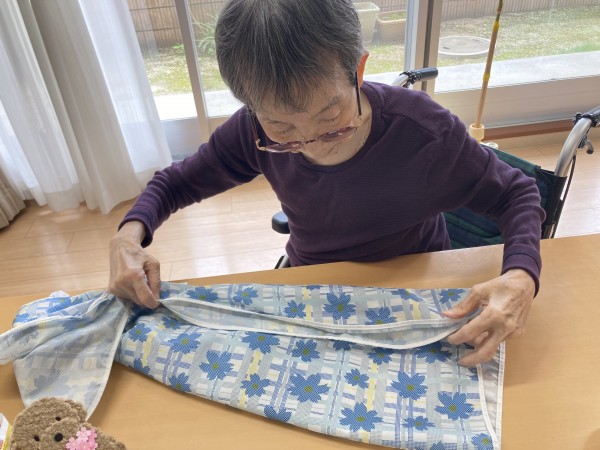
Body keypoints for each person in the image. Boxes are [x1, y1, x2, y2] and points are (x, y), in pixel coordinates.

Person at [109, 0, 544, 367]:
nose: (312, 143)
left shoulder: (424, 132)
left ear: (358, 70)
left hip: (415, 285)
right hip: (314, 284)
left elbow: (516, 192)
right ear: (251, 107)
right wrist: (128, 238)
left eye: (331, 117)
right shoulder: (250, 131)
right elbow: (174, 183)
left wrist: (521, 275)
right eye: (282, 128)